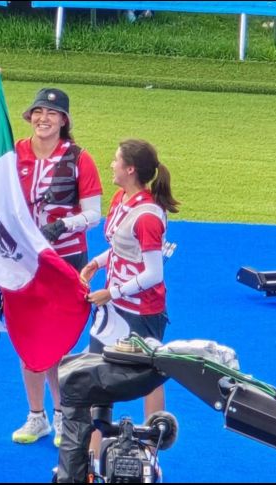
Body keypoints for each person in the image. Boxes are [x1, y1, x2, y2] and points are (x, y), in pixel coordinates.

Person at [4, 87, 103, 447]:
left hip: (65, 259)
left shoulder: (79, 158)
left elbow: (94, 214)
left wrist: (62, 226)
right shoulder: (13, 154)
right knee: (26, 336)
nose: (43, 119)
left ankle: (62, 415)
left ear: (64, 120)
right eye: (38, 112)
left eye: (52, 113)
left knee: (60, 338)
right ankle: (36, 416)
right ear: (29, 117)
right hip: (24, 259)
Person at [81, 138, 180, 422]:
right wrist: (96, 263)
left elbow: (153, 273)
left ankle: (152, 443)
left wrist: (111, 292)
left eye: (116, 160)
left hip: (141, 310)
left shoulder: (147, 217)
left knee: (149, 377)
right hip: (115, 305)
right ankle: (91, 454)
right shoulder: (120, 199)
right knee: (97, 374)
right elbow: (121, 247)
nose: (111, 165)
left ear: (131, 169)